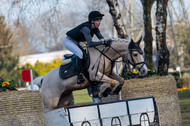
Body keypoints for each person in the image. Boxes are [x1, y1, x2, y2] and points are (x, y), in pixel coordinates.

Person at [64, 10, 112, 84]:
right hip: (69, 41)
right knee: (80, 54)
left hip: (77, 41)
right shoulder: (86, 28)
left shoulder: (95, 29)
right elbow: (90, 43)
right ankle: (79, 75)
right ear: (92, 21)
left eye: (100, 20)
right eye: (97, 20)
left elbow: (102, 39)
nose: (99, 22)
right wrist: (103, 42)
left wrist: (109, 42)